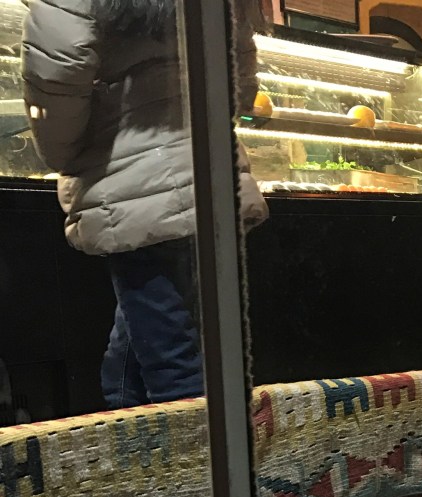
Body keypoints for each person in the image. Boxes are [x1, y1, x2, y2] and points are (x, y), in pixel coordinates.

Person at [21, 0, 268, 410]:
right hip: (209, 174)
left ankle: (194, 468)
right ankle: (133, 450)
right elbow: (238, 72)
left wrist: (69, 156)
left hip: (131, 185)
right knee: (141, 348)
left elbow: (56, 82)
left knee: (173, 363)